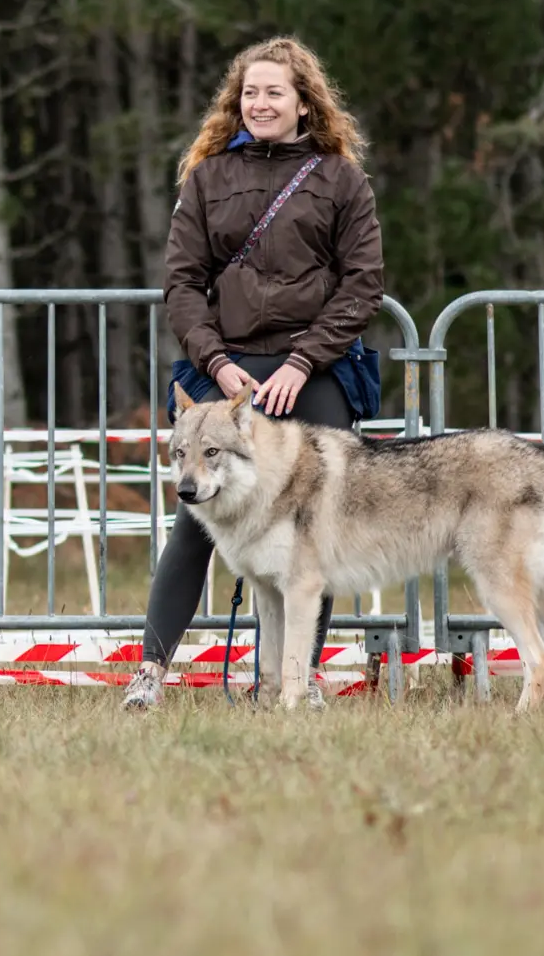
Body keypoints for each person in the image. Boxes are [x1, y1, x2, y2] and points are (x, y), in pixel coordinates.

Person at [122, 36, 384, 711]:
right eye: (249, 92)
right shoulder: (206, 177)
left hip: (312, 368)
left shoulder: (340, 178)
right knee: (194, 521)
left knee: (310, 525)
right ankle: (149, 671)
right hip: (227, 362)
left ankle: (301, 677)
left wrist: (304, 359)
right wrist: (216, 361)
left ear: (303, 102)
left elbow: (363, 282)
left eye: (274, 92)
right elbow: (181, 282)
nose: (259, 103)